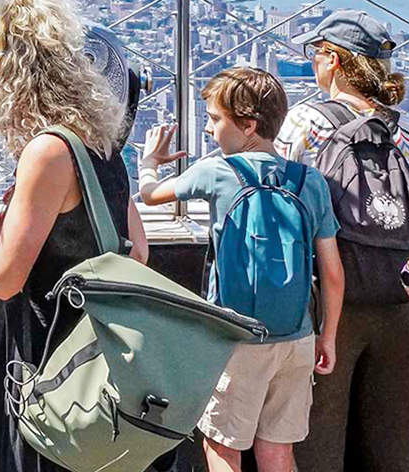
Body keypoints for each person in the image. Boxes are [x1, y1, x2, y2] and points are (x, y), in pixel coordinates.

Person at [0, 0, 149, 472]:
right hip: (102, 372)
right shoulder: (101, 145)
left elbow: (3, 278)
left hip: (52, 366)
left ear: (15, 72)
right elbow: (136, 252)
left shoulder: (48, 151)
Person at [139, 66, 344, 472]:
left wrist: (150, 162)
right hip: (296, 338)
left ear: (248, 124)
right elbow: (333, 273)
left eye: (216, 120)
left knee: (223, 447)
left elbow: (149, 196)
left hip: (235, 337)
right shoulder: (309, 181)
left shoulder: (218, 171)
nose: (212, 131)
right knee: (278, 451)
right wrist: (328, 337)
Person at [275, 10, 409, 472]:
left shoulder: (306, 122)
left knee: (318, 441)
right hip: (403, 301)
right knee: (396, 446)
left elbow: (272, 195)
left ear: (333, 60)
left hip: (328, 302)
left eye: (316, 53)